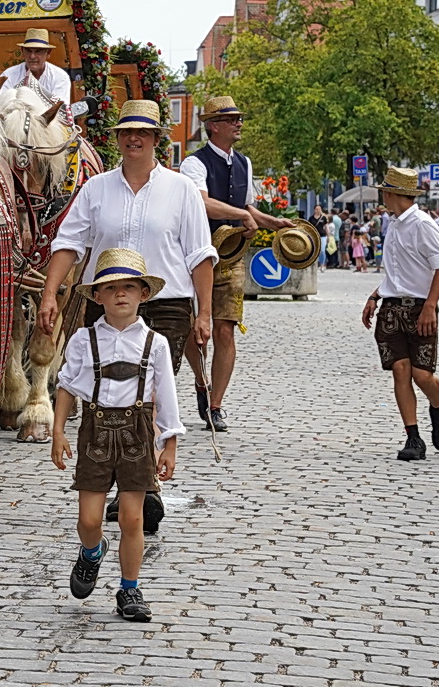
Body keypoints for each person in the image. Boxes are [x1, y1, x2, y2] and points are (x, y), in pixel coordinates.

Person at [39, 98, 213, 534]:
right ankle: (121, 478)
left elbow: (199, 255)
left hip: (166, 302)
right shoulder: (96, 190)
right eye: (125, 132)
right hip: (107, 300)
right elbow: (69, 243)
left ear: (157, 139)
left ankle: (141, 486)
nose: (133, 139)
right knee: (106, 388)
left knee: (150, 391)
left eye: (142, 132)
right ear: (118, 139)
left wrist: (204, 312)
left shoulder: (182, 190)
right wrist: (49, 294)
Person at [51, 249, 182, 624]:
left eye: (129, 287)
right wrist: (58, 431)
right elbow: (66, 387)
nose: (121, 294)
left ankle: (129, 588)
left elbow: (166, 396)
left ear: (144, 294)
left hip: (137, 434)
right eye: (111, 288)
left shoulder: (155, 343)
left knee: (131, 518)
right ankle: (92, 552)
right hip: (94, 433)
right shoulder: (82, 339)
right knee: (90, 520)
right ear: (98, 296)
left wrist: (168, 444)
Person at [177, 96, 291, 432]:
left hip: (231, 257)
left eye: (238, 118)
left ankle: (215, 405)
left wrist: (275, 223)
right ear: (213, 126)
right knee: (194, 331)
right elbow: (203, 205)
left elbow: (247, 208)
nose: (238, 124)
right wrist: (242, 214)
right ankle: (201, 380)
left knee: (225, 331)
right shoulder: (193, 164)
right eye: (231, 119)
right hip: (196, 256)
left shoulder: (244, 162)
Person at [362, 167, 439, 462]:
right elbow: (398, 274)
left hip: (418, 309)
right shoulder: (394, 224)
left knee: (423, 376)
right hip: (391, 308)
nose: (383, 197)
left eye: (384, 192)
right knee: (401, 370)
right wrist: (376, 296)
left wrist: (429, 306)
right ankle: (413, 437)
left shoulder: (423, 225)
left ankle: (438, 407)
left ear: (391, 194)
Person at [0, 29, 73, 110]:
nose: (32, 56)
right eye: (28, 51)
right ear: (22, 52)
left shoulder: (60, 77)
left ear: (48, 53)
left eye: (38, 51)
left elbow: (60, 109)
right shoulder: (9, 75)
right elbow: (0, 104)